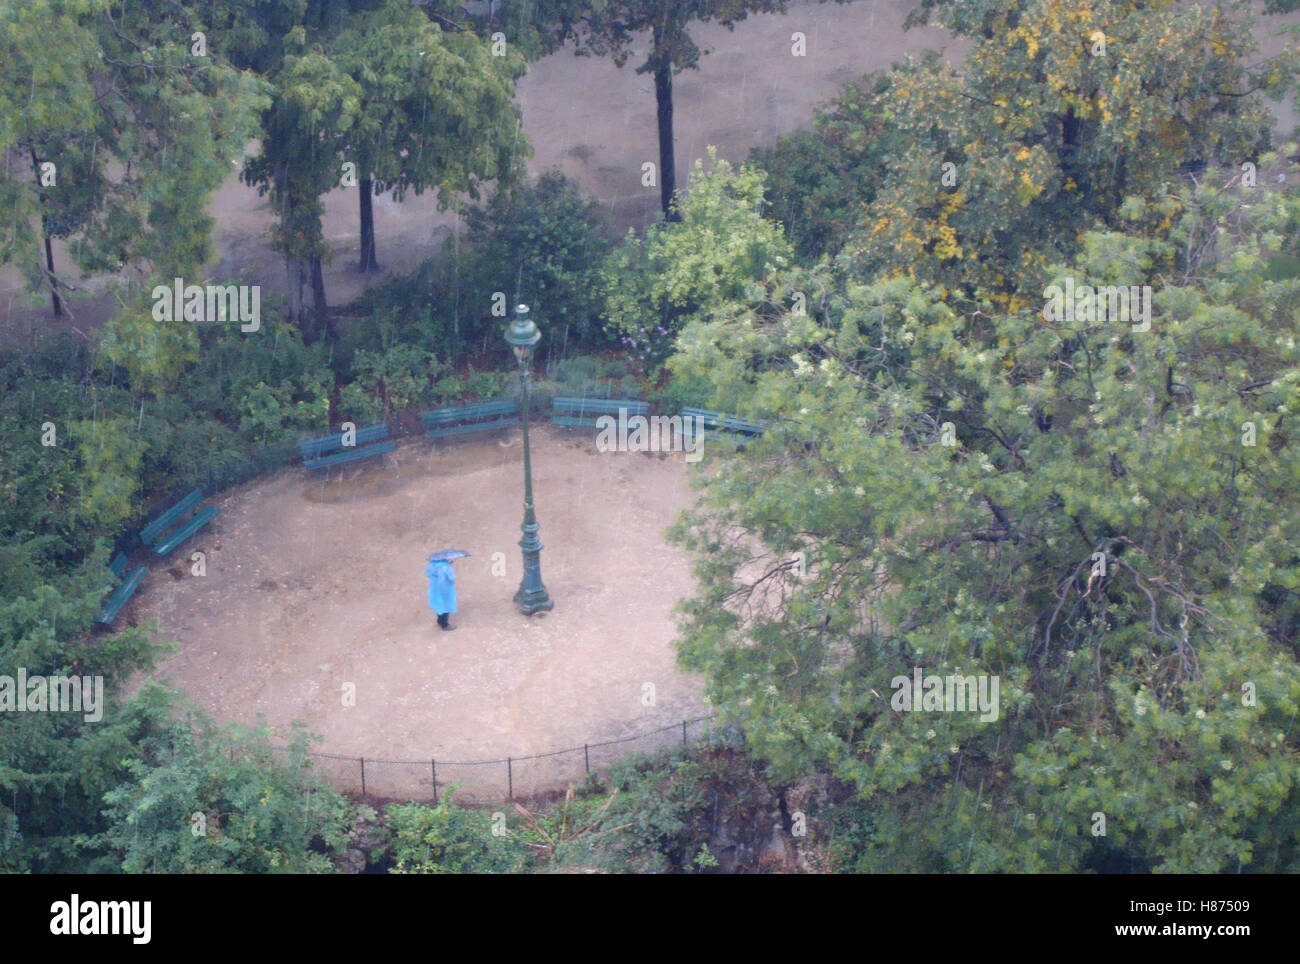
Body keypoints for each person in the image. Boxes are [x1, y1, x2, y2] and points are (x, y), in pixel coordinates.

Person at [425, 557, 458, 630]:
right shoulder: (447, 567)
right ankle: (445, 625)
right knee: (446, 606)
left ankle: (439, 621)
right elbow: (452, 578)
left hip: (434, 588)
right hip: (445, 589)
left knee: (438, 605)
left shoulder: (431, 565)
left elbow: (427, 574)